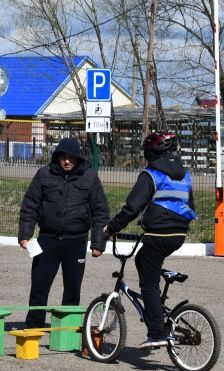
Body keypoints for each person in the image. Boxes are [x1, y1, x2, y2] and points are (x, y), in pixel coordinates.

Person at [104, 131, 197, 349]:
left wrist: (111, 227)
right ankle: (161, 287)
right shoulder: (185, 175)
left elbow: (132, 208)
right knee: (144, 261)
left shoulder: (151, 175)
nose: (145, 157)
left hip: (158, 234)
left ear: (152, 152)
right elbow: (190, 204)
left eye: (146, 152)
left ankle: (157, 332)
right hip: (179, 234)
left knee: (148, 281)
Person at [18, 137, 109, 329]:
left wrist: (98, 243)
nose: (66, 161)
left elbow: (100, 211)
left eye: (71, 158)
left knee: (72, 289)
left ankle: (67, 329)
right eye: (63, 157)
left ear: (78, 158)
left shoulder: (89, 177)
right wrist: (25, 234)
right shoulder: (44, 174)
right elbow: (30, 205)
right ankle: (34, 327)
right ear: (57, 157)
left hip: (76, 242)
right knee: (39, 287)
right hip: (47, 240)